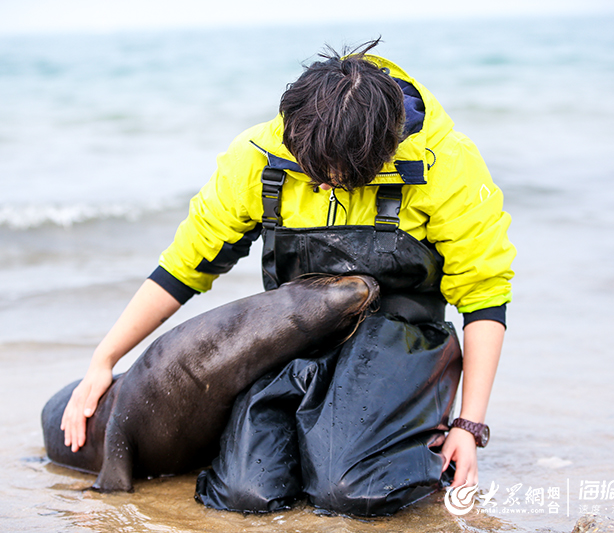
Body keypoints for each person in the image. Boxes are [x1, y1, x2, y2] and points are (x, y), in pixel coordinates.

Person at [61, 39, 515, 516]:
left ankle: (412, 426)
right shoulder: (260, 157)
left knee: (350, 492)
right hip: (299, 341)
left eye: (335, 176)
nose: (319, 184)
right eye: (309, 169)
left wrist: (470, 424)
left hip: (400, 344)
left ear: (382, 152)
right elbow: (183, 266)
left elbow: (484, 296)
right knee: (243, 494)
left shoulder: (448, 164)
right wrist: (104, 358)